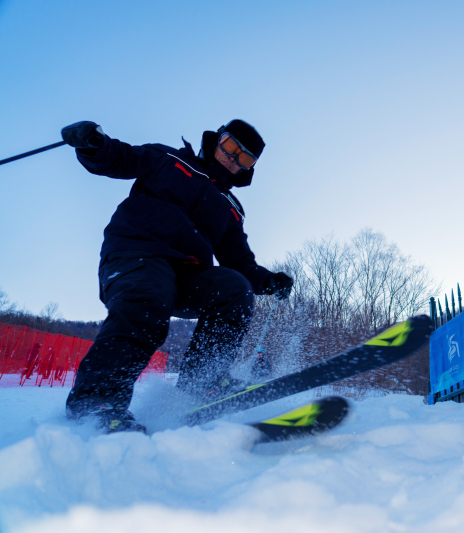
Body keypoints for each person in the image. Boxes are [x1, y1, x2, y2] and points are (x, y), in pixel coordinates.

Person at [61, 119, 293, 433]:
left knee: (234, 288)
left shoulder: (229, 208)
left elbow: (240, 262)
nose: (233, 158)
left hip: (186, 275)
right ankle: (97, 402)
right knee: (148, 299)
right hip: (137, 252)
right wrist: (93, 145)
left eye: (245, 158)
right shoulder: (171, 161)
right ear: (216, 140)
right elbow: (119, 157)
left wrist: (267, 280)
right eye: (230, 147)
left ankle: (204, 382)